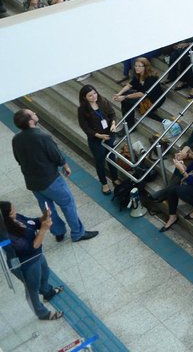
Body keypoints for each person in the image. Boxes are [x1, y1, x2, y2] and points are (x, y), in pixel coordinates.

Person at [11, 109, 98, 243]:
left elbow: (18, 159)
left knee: (48, 209)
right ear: (30, 121)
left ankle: (58, 232)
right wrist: (65, 166)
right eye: (33, 113)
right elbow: (55, 155)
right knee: (67, 204)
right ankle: (77, 233)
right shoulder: (42, 136)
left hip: (33, 183)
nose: (35, 113)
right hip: (51, 180)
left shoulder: (16, 139)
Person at [1, 201, 64, 321]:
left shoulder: (15, 218)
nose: (15, 210)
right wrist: (44, 229)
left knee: (45, 273)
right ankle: (42, 313)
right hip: (26, 263)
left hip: (37, 255)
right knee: (32, 288)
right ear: (6, 218)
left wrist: (44, 216)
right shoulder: (8, 235)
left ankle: (47, 292)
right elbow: (31, 247)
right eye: (12, 211)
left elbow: (33, 222)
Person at [76, 84, 119, 195]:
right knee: (100, 160)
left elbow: (112, 113)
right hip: (96, 138)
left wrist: (113, 123)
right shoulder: (82, 110)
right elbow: (85, 127)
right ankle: (104, 184)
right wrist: (98, 136)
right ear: (84, 97)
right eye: (90, 95)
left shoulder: (102, 101)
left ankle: (115, 178)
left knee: (111, 157)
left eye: (94, 93)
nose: (94, 96)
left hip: (109, 133)